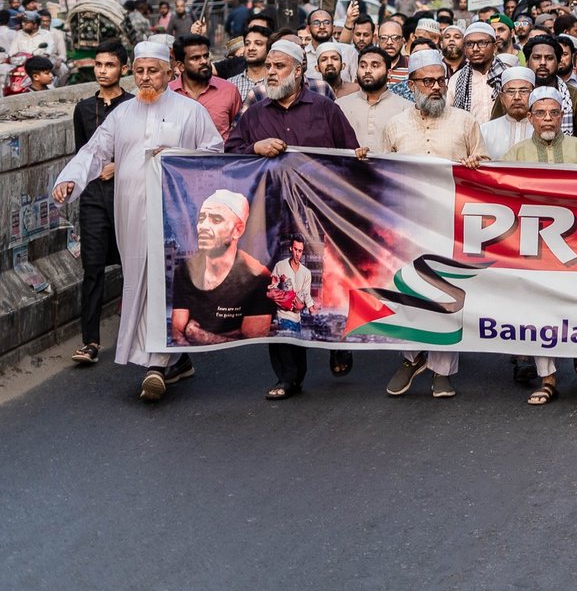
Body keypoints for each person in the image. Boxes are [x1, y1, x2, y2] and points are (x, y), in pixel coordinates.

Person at [52, 42, 223, 401]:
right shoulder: (122, 114)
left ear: (170, 71)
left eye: (153, 71)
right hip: (129, 213)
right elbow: (95, 151)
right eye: (140, 71)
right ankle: (178, 359)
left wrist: (177, 156)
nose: (146, 78)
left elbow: (214, 153)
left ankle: (157, 364)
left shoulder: (190, 112)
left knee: (165, 281)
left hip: (177, 215)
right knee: (139, 279)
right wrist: (71, 179)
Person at [225, 39, 361, 398]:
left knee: (327, 287)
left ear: (299, 71)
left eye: (279, 66)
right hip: (275, 217)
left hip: (321, 217)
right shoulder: (255, 115)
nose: (270, 72)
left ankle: (337, 344)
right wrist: (254, 148)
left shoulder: (325, 109)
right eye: (268, 66)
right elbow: (231, 153)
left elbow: (348, 154)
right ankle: (288, 376)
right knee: (283, 293)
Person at [376, 50, 487, 399]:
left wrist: (475, 163)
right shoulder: (395, 126)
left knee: (446, 294)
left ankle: (442, 370)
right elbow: (385, 175)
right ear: (412, 85)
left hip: (452, 222)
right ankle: (411, 357)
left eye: (441, 80)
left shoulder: (465, 122)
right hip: (408, 222)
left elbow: (486, 167)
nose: (437, 87)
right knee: (408, 292)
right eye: (428, 81)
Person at [501, 89, 577, 403]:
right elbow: (497, 190)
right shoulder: (515, 154)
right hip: (535, 244)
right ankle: (547, 379)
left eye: (554, 113)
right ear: (530, 117)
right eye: (541, 113)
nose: (548, 119)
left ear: (563, 116)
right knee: (539, 309)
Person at [66, 41, 132, 366]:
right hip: (93, 198)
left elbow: (147, 149)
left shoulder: (135, 106)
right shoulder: (82, 109)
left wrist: (118, 164)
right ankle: (90, 341)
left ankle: (138, 335)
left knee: (133, 266)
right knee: (92, 269)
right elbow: (82, 154)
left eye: (110, 65)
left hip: (127, 196)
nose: (103, 71)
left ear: (124, 68)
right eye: (99, 65)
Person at [170, 190, 273, 346]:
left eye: (216, 220)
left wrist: (201, 336)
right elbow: (178, 335)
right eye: (202, 218)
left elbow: (253, 344)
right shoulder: (185, 272)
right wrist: (231, 335)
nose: (204, 226)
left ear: (238, 230)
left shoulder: (259, 277)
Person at [170, 33, 242, 141]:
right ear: (181, 66)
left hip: (221, 157)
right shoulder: (168, 93)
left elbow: (240, 134)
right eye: (195, 58)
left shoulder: (229, 90)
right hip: (179, 157)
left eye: (206, 56)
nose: (204, 61)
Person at [337, 47, 410, 150]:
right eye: (362, 66)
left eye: (375, 66)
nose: (367, 71)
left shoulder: (405, 108)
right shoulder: (340, 106)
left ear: (389, 73)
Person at [479, 66, 538, 159]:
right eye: (511, 92)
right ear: (502, 98)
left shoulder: (542, 130)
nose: (517, 97)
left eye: (523, 91)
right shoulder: (485, 131)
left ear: (534, 95)